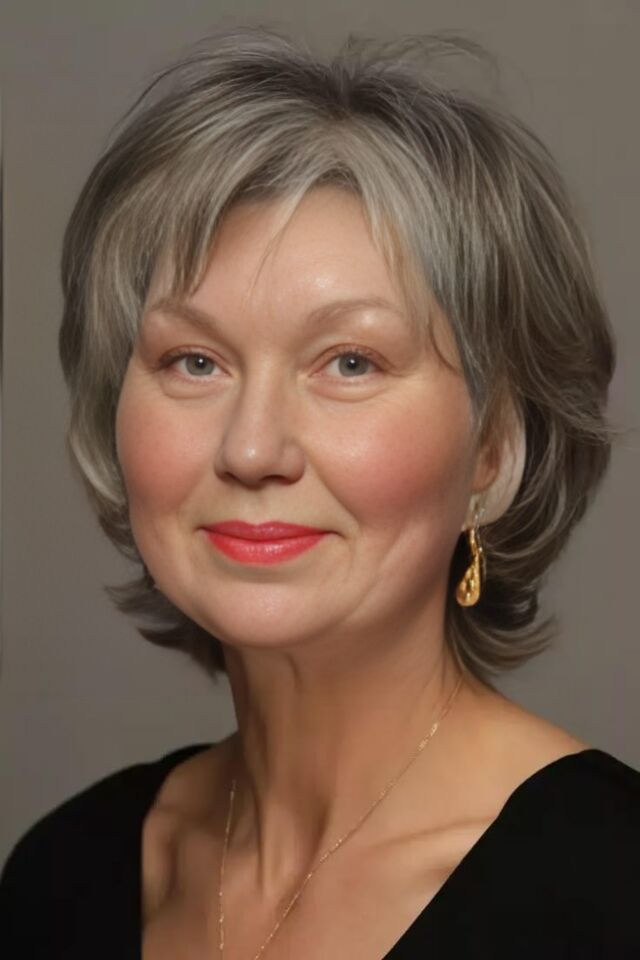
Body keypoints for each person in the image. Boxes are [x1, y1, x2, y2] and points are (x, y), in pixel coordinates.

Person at [1, 24, 638, 960]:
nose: (252, 448)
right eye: (194, 360)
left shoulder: (615, 896)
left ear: (494, 448)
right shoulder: (59, 877)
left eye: (349, 362)